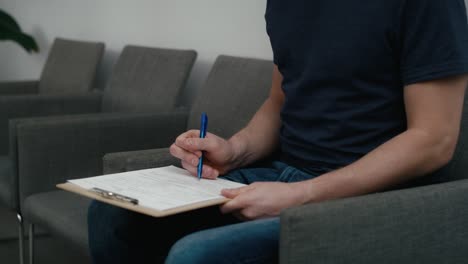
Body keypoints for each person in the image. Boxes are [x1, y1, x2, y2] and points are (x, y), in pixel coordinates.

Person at [88, 1, 468, 263]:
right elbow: (279, 101)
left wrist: (302, 195)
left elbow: (433, 140)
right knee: (111, 216)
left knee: (195, 255)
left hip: (368, 200)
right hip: (281, 175)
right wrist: (234, 150)